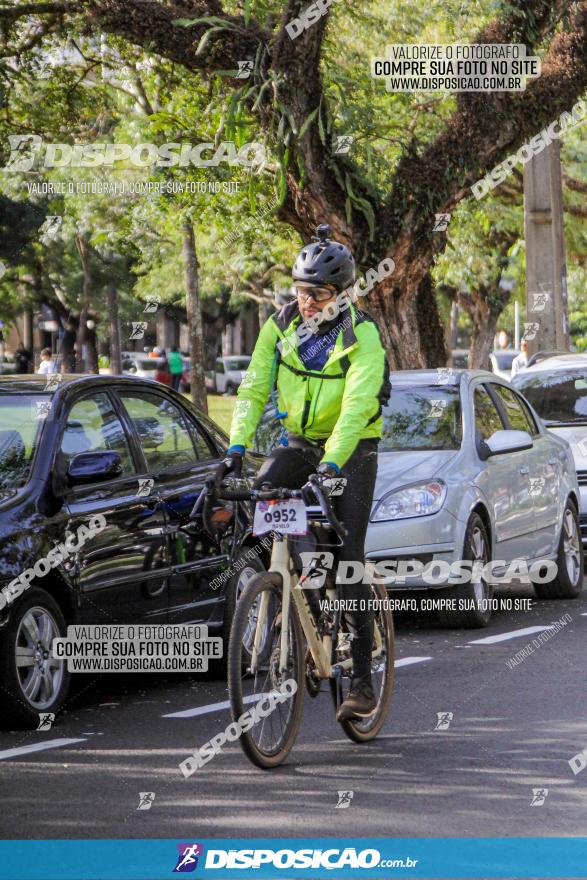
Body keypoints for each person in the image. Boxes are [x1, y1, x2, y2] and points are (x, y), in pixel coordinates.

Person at [218, 224, 389, 721]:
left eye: (317, 293)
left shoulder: (363, 334)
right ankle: (288, 589)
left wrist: (333, 465)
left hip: (353, 448)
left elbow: (357, 408)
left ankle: (360, 677)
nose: (307, 301)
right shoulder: (281, 326)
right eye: (301, 291)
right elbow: (251, 391)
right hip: (300, 443)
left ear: (340, 294)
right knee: (265, 488)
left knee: (347, 555)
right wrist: (235, 448)